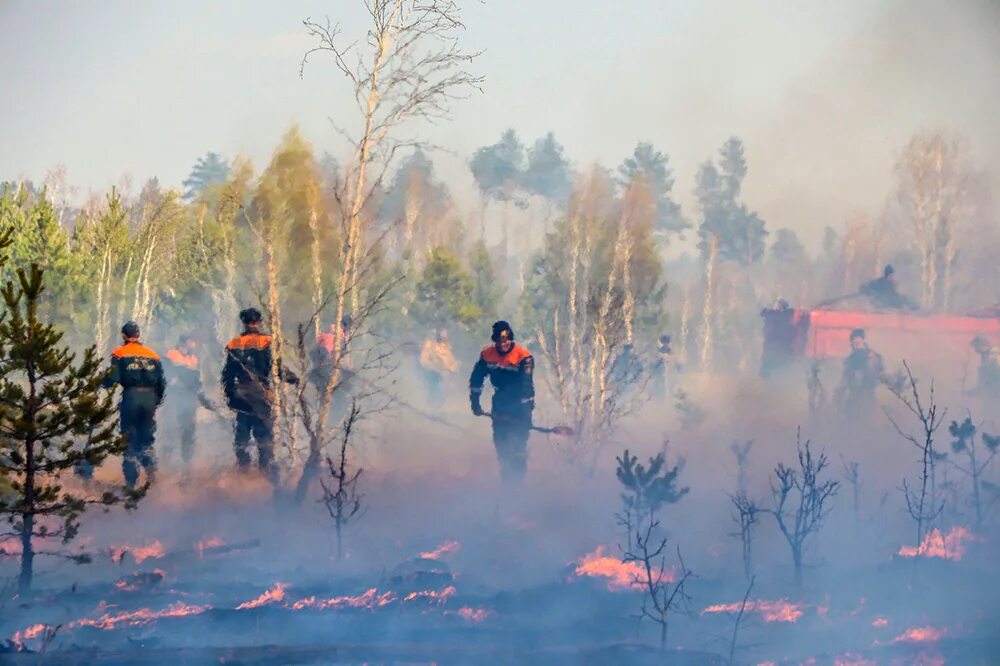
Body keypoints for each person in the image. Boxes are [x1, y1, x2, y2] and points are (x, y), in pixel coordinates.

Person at [222, 308, 298, 477]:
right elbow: (276, 369)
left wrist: (229, 395)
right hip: (261, 393)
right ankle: (265, 470)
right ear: (259, 321)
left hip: (241, 392)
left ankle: (244, 470)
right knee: (263, 432)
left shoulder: (234, 343)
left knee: (242, 433)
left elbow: (227, 374)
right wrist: (294, 380)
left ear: (243, 322)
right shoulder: (267, 341)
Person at [469, 321, 535, 485]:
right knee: (502, 443)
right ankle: (507, 478)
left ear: (511, 339)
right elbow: (477, 379)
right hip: (499, 403)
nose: (503, 344)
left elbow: (527, 386)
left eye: (506, 340)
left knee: (518, 446)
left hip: (520, 403)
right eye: (499, 341)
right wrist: (475, 402)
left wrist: (526, 414)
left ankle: (518, 480)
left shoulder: (523, 356)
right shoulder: (487, 355)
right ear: (495, 341)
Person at [104, 321, 166, 488]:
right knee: (146, 439)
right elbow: (161, 383)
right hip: (149, 398)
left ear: (124, 335)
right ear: (138, 335)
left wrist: (100, 384)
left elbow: (113, 378)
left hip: (131, 397)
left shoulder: (119, 352)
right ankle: (153, 477)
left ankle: (131, 485)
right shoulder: (152, 354)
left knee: (129, 440)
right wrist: (155, 401)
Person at [164, 334, 212, 465]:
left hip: (189, 399)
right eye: (192, 341)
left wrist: (203, 398)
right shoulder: (171, 355)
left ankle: (187, 460)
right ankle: (166, 459)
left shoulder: (193, 359)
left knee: (189, 429)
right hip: (174, 398)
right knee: (170, 427)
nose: (194, 345)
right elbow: (166, 377)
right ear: (184, 342)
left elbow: (196, 381)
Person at [838, 328, 884, 420]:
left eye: (858, 340)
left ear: (863, 340)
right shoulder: (852, 358)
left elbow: (876, 374)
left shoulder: (872, 356)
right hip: (856, 394)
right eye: (854, 341)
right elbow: (846, 378)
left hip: (865, 394)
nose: (855, 343)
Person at [760, 299, 801, 378]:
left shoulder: (771, 315)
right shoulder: (786, 316)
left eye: (777, 305)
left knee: (768, 370)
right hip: (782, 350)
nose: (776, 307)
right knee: (781, 372)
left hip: (773, 349)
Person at [419, 327, 459, 408]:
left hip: (447, 374)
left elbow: (450, 360)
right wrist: (438, 370)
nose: (445, 336)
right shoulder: (430, 344)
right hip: (433, 373)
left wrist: (454, 366)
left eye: (446, 334)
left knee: (449, 389)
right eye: (443, 334)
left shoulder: (447, 346)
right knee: (437, 389)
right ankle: (431, 407)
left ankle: (437, 407)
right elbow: (424, 361)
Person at [970, 336, 1000, 403]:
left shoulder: (995, 357)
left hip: (994, 398)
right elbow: (985, 381)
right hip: (990, 397)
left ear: (982, 345)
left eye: (976, 346)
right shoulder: (986, 357)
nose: (975, 349)